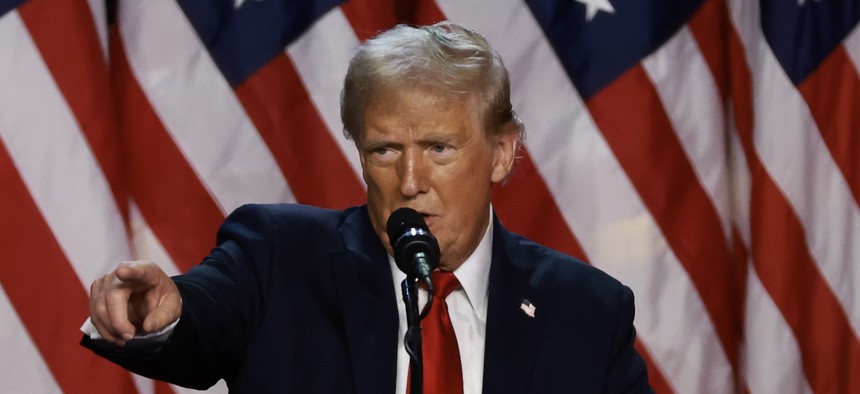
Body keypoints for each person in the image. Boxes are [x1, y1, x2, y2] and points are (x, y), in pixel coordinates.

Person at [82, 22, 652, 393]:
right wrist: (167, 315)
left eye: (438, 148)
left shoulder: (587, 313)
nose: (410, 181)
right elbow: (203, 317)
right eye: (384, 150)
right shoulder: (280, 257)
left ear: (501, 153)